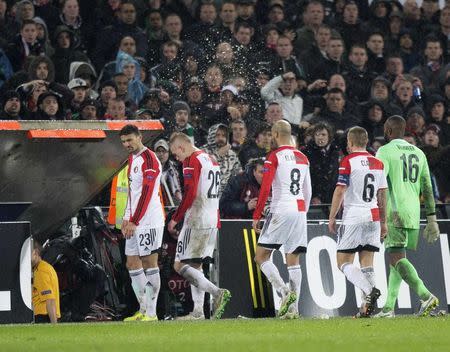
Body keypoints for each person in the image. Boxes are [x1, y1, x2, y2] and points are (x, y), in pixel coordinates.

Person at [374, 115, 440, 318]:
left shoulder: (384, 151)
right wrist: (431, 218)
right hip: (413, 212)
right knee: (398, 258)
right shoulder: (419, 153)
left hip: (394, 210)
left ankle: (425, 295)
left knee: (395, 257)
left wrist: (379, 215)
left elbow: (379, 184)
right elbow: (428, 187)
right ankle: (388, 308)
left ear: (388, 130)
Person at [168, 132, 231, 320]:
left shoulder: (191, 160)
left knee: (179, 265)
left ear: (181, 147)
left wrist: (176, 218)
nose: (176, 158)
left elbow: (190, 192)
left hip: (196, 219)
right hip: (212, 218)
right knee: (196, 265)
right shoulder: (209, 159)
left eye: (175, 153)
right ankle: (198, 311)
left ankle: (217, 292)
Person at [252, 120, 312, 319]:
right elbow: (308, 191)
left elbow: (265, 188)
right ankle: (294, 311)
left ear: (276, 134)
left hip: (281, 208)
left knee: (261, 256)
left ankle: (284, 292)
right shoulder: (303, 157)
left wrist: (257, 214)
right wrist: (303, 212)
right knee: (293, 260)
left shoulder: (274, 156)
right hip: (300, 209)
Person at [328, 126, 386, 318]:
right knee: (367, 262)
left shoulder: (348, 161)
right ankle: (366, 307)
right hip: (374, 216)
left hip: (353, 217)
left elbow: (340, 190)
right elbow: (382, 194)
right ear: (367, 141)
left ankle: (369, 291)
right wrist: (384, 223)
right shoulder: (378, 162)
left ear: (350, 143)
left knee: (342, 263)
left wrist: (332, 216)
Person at [119, 124, 165, 322]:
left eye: (130, 140)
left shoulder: (150, 159)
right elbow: (132, 193)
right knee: (131, 263)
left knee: (149, 263)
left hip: (149, 221)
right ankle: (143, 309)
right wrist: (126, 218)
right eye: (123, 142)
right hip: (135, 220)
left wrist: (135, 220)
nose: (127, 144)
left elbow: (146, 194)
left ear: (139, 137)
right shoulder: (133, 159)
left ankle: (152, 314)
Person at [32, 240, 60, 323]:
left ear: (35, 252)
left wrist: (54, 325)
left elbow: (49, 300)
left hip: (44, 317)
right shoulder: (46, 267)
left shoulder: (41, 270)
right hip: (46, 316)